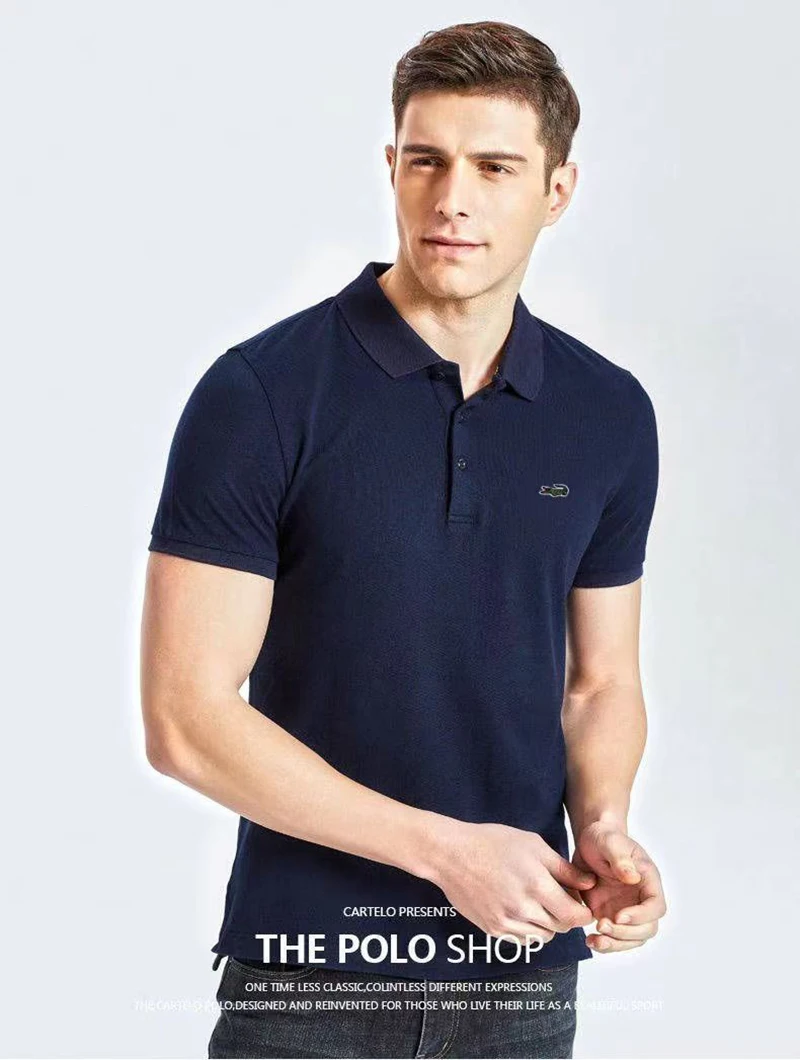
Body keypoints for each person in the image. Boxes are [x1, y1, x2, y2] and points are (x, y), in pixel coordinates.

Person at [140, 19, 667, 1060]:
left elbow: (600, 682)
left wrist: (604, 826)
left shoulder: (608, 413)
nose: (451, 197)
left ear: (557, 190)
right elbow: (185, 718)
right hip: (309, 978)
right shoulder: (261, 395)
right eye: (426, 160)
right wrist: (445, 853)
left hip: (521, 977)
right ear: (391, 167)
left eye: (494, 167)